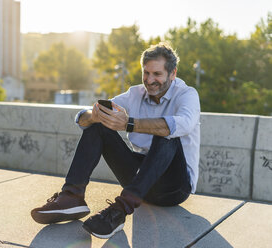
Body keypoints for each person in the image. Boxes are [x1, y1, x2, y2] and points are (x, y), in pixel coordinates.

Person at [31, 42, 201, 239]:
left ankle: (119, 212)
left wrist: (129, 123)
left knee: (167, 133)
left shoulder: (187, 94)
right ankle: (72, 196)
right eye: (146, 73)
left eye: (157, 74)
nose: (150, 80)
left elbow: (185, 124)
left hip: (174, 188)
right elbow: (83, 117)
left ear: (173, 74)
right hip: (141, 181)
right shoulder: (135, 94)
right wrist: (94, 115)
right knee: (98, 125)